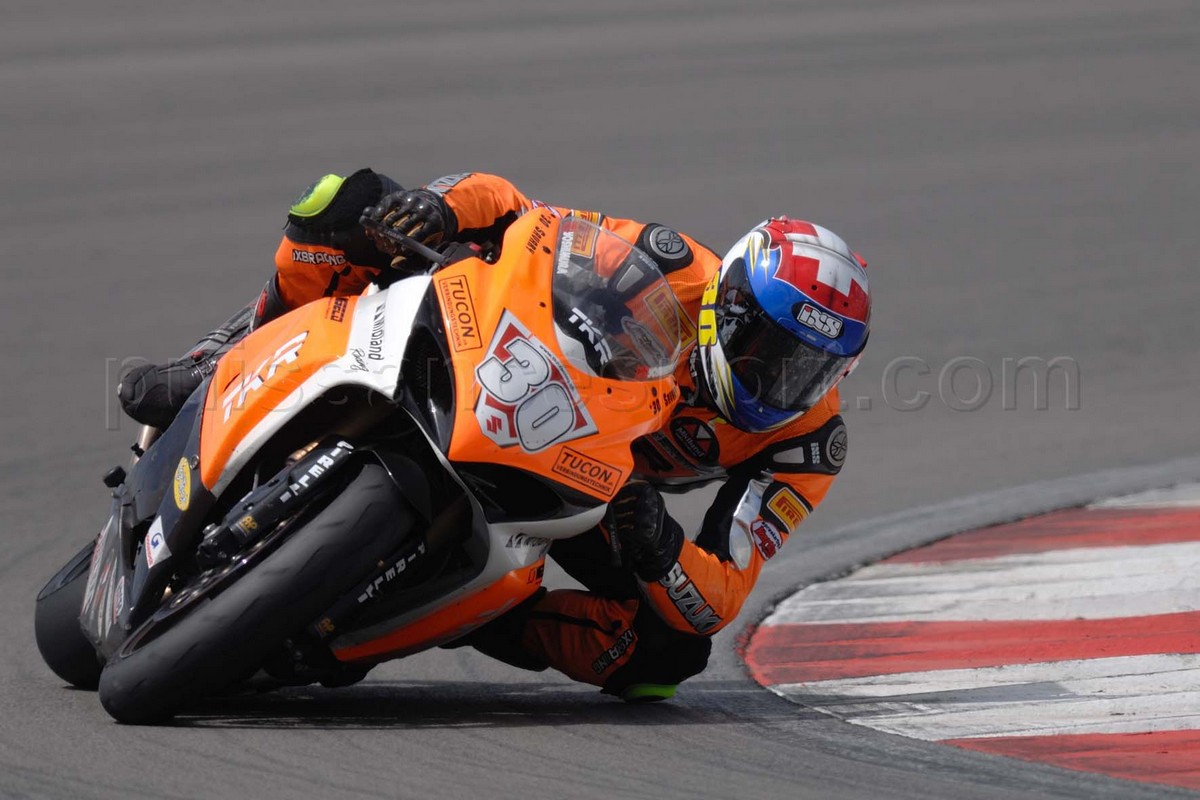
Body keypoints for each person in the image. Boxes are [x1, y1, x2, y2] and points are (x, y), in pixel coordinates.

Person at [118, 170, 871, 701]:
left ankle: (470, 612)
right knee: (342, 203)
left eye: (808, 371)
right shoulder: (674, 267)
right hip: (518, 377)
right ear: (728, 305)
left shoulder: (805, 447)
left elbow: (722, 590)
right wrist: (441, 210)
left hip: (602, 492)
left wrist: (662, 546)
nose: (780, 382)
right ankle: (214, 363)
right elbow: (526, 217)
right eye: (769, 352)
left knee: (667, 656)